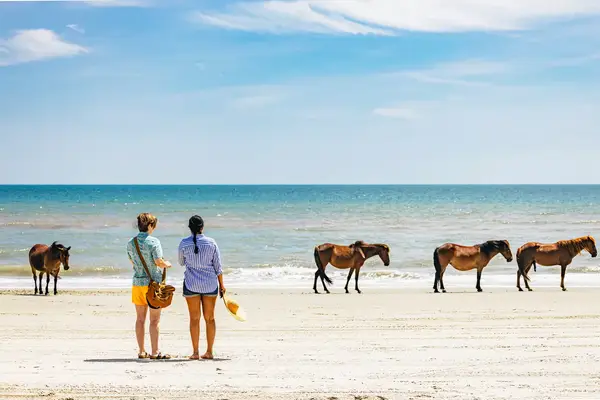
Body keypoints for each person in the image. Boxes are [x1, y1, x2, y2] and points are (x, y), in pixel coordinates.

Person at [178, 215, 226, 360]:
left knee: (194, 319)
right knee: (210, 318)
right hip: (210, 285)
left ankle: (195, 352)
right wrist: (222, 285)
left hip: (191, 284)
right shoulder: (211, 243)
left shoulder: (184, 243)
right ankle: (209, 352)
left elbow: (181, 262)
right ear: (202, 227)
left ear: (190, 228)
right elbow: (218, 267)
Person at [126, 213, 172, 360]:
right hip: (153, 286)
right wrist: (168, 264)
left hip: (137, 284)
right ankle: (155, 351)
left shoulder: (130, 243)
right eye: (154, 225)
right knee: (154, 320)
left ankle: (141, 351)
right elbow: (159, 261)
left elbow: (132, 263)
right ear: (150, 226)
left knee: (140, 319)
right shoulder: (154, 242)